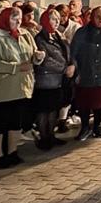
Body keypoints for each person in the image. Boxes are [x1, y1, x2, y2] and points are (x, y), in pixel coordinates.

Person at [0, 6, 41, 168]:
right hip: (2, 88)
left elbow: (32, 54)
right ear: (5, 18)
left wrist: (38, 57)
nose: (18, 21)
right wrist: (15, 67)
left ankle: (12, 152)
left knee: (16, 122)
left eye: (19, 18)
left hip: (22, 86)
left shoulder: (25, 34)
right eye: (14, 18)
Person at [70, 7, 101, 141]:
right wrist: (75, 69)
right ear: (92, 17)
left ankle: (97, 126)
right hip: (86, 73)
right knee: (84, 102)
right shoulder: (82, 32)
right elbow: (74, 52)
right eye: (98, 16)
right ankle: (85, 127)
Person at [32, 9, 75, 150]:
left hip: (58, 80)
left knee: (53, 110)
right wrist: (64, 68)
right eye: (53, 19)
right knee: (44, 110)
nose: (56, 22)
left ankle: (51, 135)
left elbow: (68, 52)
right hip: (46, 80)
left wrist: (72, 65)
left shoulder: (59, 36)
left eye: (57, 19)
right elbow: (46, 60)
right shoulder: (40, 39)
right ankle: (44, 138)